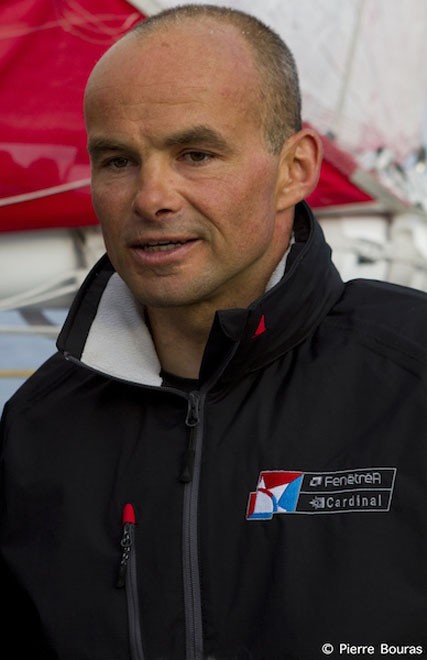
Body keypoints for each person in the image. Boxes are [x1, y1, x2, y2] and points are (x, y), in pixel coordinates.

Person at [1, 5, 426, 659]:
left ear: (296, 168)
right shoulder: (38, 429)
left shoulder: (410, 380)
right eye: (117, 161)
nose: (151, 197)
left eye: (195, 154)